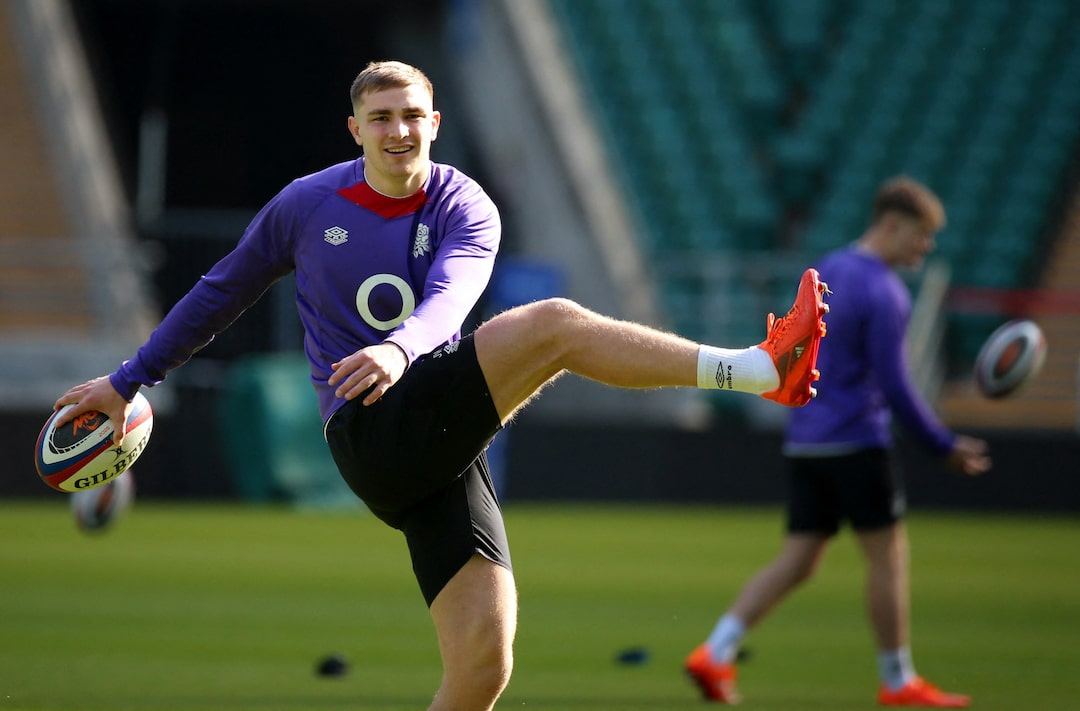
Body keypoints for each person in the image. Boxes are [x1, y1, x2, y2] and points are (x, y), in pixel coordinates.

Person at [52, 60, 829, 711]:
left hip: (437, 443)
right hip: (370, 432)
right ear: (355, 130)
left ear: (435, 122)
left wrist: (402, 348)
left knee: (484, 663)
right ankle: (759, 369)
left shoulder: (465, 204)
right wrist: (126, 380)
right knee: (555, 325)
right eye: (381, 118)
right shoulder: (306, 205)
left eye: (412, 116)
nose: (399, 130)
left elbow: (453, 296)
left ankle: (764, 372)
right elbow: (219, 293)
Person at [684, 176, 991, 708]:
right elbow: (894, 383)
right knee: (888, 558)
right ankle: (897, 681)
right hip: (856, 441)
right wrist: (941, 445)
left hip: (805, 440)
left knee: (798, 559)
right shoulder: (885, 291)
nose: (926, 246)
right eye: (921, 234)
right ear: (891, 225)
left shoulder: (824, 270)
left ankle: (715, 650)